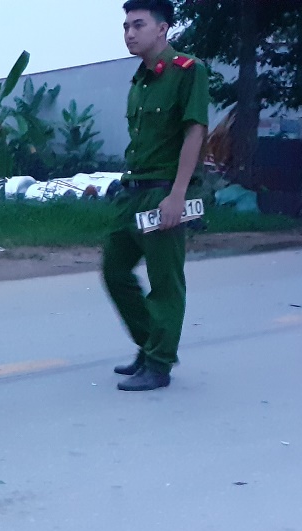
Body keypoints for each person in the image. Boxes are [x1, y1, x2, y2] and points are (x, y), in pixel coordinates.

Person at [103, 0, 210, 391]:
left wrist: (178, 194)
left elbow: (195, 131)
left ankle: (159, 363)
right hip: (132, 192)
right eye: (126, 26)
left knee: (165, 281)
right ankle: (151, 345)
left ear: (162, 29)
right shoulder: (139, 80)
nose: (129, 33)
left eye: (138, 25)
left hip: (163, 192)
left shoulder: (188, 70)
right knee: (114, 270)